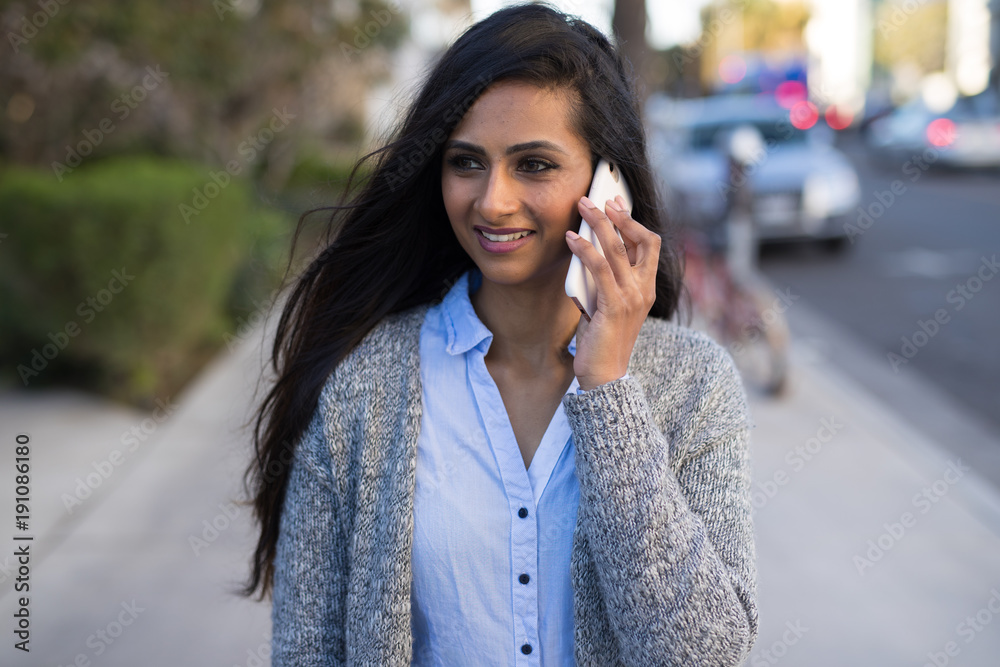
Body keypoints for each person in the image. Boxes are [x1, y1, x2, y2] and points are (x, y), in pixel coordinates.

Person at [243, 4, 757, 666]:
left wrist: (607, 391)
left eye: (534, 164)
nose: (492, 200)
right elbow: (307, 651)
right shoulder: (362, 386)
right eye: (466, 162)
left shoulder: (694, 384)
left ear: (610, 184)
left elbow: (703, 655)